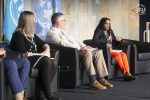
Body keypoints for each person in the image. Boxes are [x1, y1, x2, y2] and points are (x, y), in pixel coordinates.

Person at [47, 13, 113, 90]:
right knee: (87, 53)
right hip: (70, 54)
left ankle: (101, 78)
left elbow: (76, 40)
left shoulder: (63, 32)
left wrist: (84, 46)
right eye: (63, 20)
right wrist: (80, 48)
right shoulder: (52, 33)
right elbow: (64, 44)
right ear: (57, 22)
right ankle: (93, 81)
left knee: (98, 52)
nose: (65, 22)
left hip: (77, 50)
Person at [10, 11, 60, 100]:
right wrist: (41, 54)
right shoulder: (18, 34)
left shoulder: (31, 34)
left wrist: (47, 49)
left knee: (54, 62)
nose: (34, 22)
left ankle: (40, 93)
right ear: (28, 21)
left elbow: (44, 44)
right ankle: (48, 94)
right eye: (33, 20)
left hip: (36, 58)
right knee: (46, 60)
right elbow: (23, 53)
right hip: (25, 60)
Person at [92, 17, 136, 81]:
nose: (108, 25)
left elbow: (114, 40)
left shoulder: (110, 30)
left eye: (109, 24)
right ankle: (125, 74)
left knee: (123, 54)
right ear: (102, 24)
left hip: (111, 49)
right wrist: (105, 39)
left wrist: (118, 40)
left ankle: (128, 73)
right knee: (117, 55)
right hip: (104, 50)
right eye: (106, 24)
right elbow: (94, 41)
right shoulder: (98, 30)